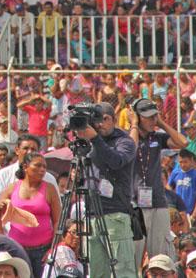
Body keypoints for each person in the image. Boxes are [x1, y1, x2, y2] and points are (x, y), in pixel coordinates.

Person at [72, 102, 137, 278]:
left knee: (123, 272)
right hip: (91, 215)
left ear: (114, 120)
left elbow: (116, 161)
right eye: (97, 119)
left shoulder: (124, 141)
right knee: (96, 273)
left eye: (105, 119)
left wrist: (95, 139)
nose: (100, 124)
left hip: (115, 214)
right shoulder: (88, 142)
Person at [130, 97, 188, 264]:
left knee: (160, 257)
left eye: (153, 115)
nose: (151, 120)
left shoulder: (157, 137)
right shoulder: (127, 136)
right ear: (137, 116)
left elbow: (183, 143)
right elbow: (130, 149)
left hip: (158, 201)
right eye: (147, 116)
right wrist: (134, 124)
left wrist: (162, 123)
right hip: (136, 204)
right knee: (134, 255)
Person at [0, 152, 60, 278]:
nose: (42, 169)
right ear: (25, 167)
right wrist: (2, 237)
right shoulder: (13, 188)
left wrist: (53, 249)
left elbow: (57, 221)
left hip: (43, 250)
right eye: (38, 166)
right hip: (17, 249)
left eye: (44, 167)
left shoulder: (49, 189)